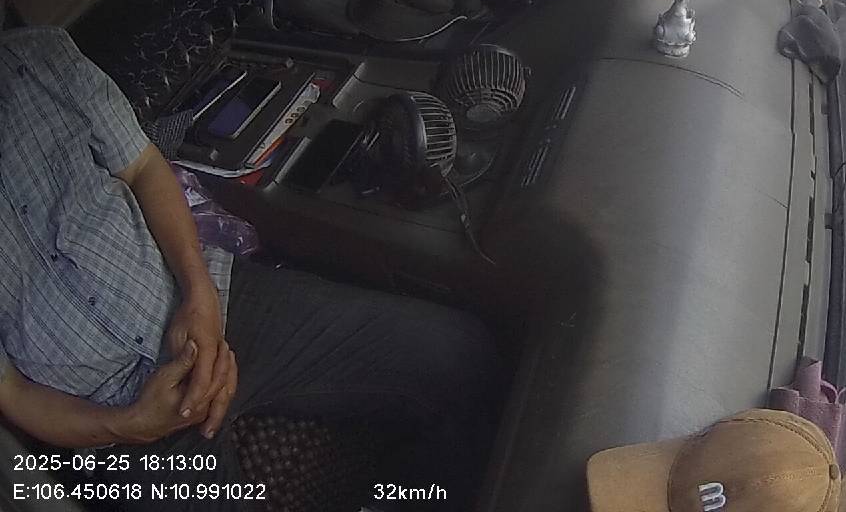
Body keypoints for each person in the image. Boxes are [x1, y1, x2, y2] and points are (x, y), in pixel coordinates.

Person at [0, 26, 497, 510]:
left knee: (458, 355)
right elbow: (12, 392)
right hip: (100, 405)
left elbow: (143, 167)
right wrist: (126, 425)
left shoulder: (42, 56)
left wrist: (198, 294)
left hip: (202, 299)